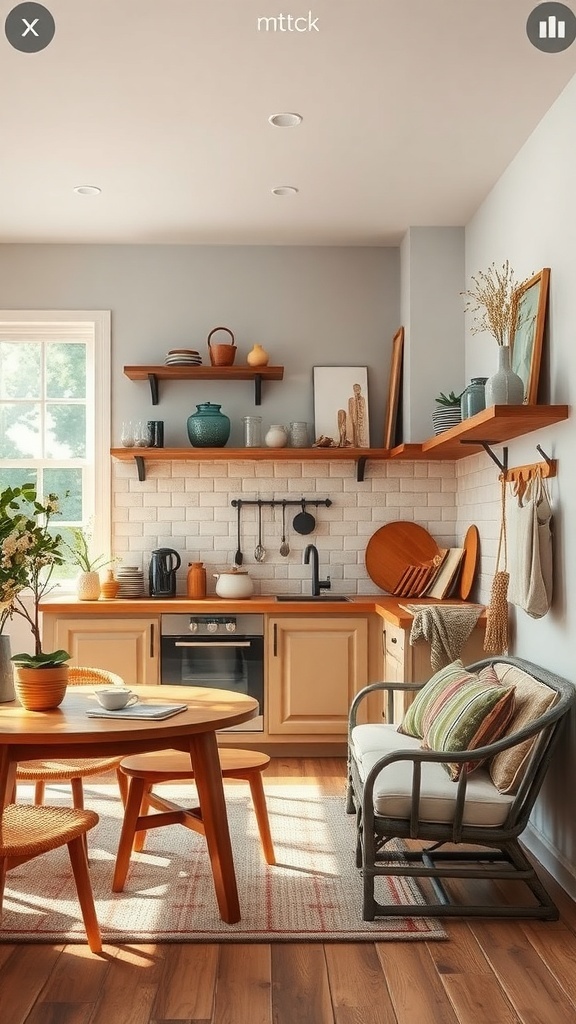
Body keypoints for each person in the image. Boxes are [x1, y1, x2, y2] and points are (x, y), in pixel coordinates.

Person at [347, 383, 369, 447]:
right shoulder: (351, 400)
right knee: (354, 429)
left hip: (360, 418)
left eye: (358, 389)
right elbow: (350, 410)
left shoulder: (362, 399)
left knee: (361, 429)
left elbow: (363, 409)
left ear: (360, 389)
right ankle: (356, 442)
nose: (357, 390)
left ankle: (360, 442)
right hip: (354, 418)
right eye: (355, 389)